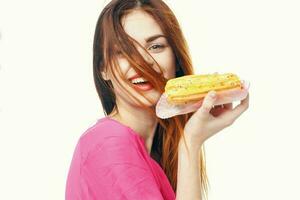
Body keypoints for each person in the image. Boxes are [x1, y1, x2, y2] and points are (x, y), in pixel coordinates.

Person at [65, 0, 250, 199]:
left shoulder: (151, 153)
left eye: (155, 46)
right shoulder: (110, 142)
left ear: (176, 61)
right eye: (123, 51)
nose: (143, 61)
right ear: (103, 69)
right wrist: (192, 142)